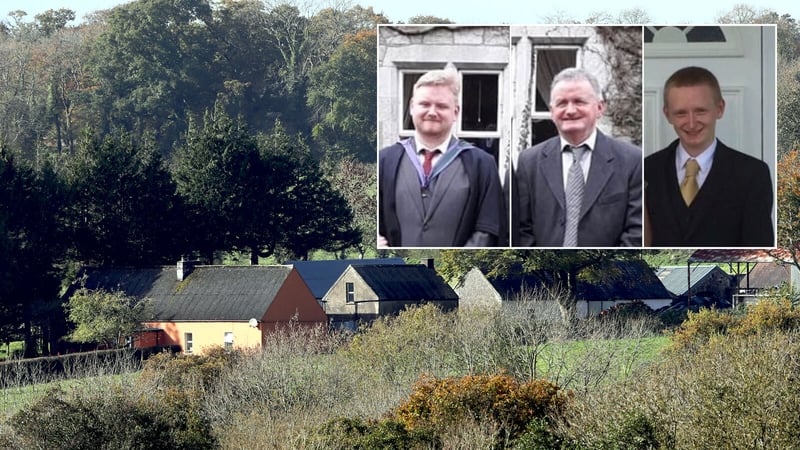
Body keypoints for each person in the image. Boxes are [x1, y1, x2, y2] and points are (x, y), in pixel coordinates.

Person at [644, 66, 774, 247]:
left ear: (719, 109)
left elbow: (758, 249)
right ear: (667, 115)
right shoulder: (647, 170)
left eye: (700, 111)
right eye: (681, 113)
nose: (691, 123)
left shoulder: (752, 174)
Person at [514, 67, 642, 247]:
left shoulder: (632, 161)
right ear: (551, 112)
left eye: (579, 101)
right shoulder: (528, 162)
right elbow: (521, 231)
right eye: (562, 103)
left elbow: (637, 232)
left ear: (599, 108)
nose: (570, 110)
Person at [378, 69, 504, 247]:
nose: (432, 112)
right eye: (424, 104)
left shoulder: (482, 165)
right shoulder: (385, 161)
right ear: (412, 107)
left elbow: (488, 229)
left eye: (441, 106)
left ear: (455, 112)